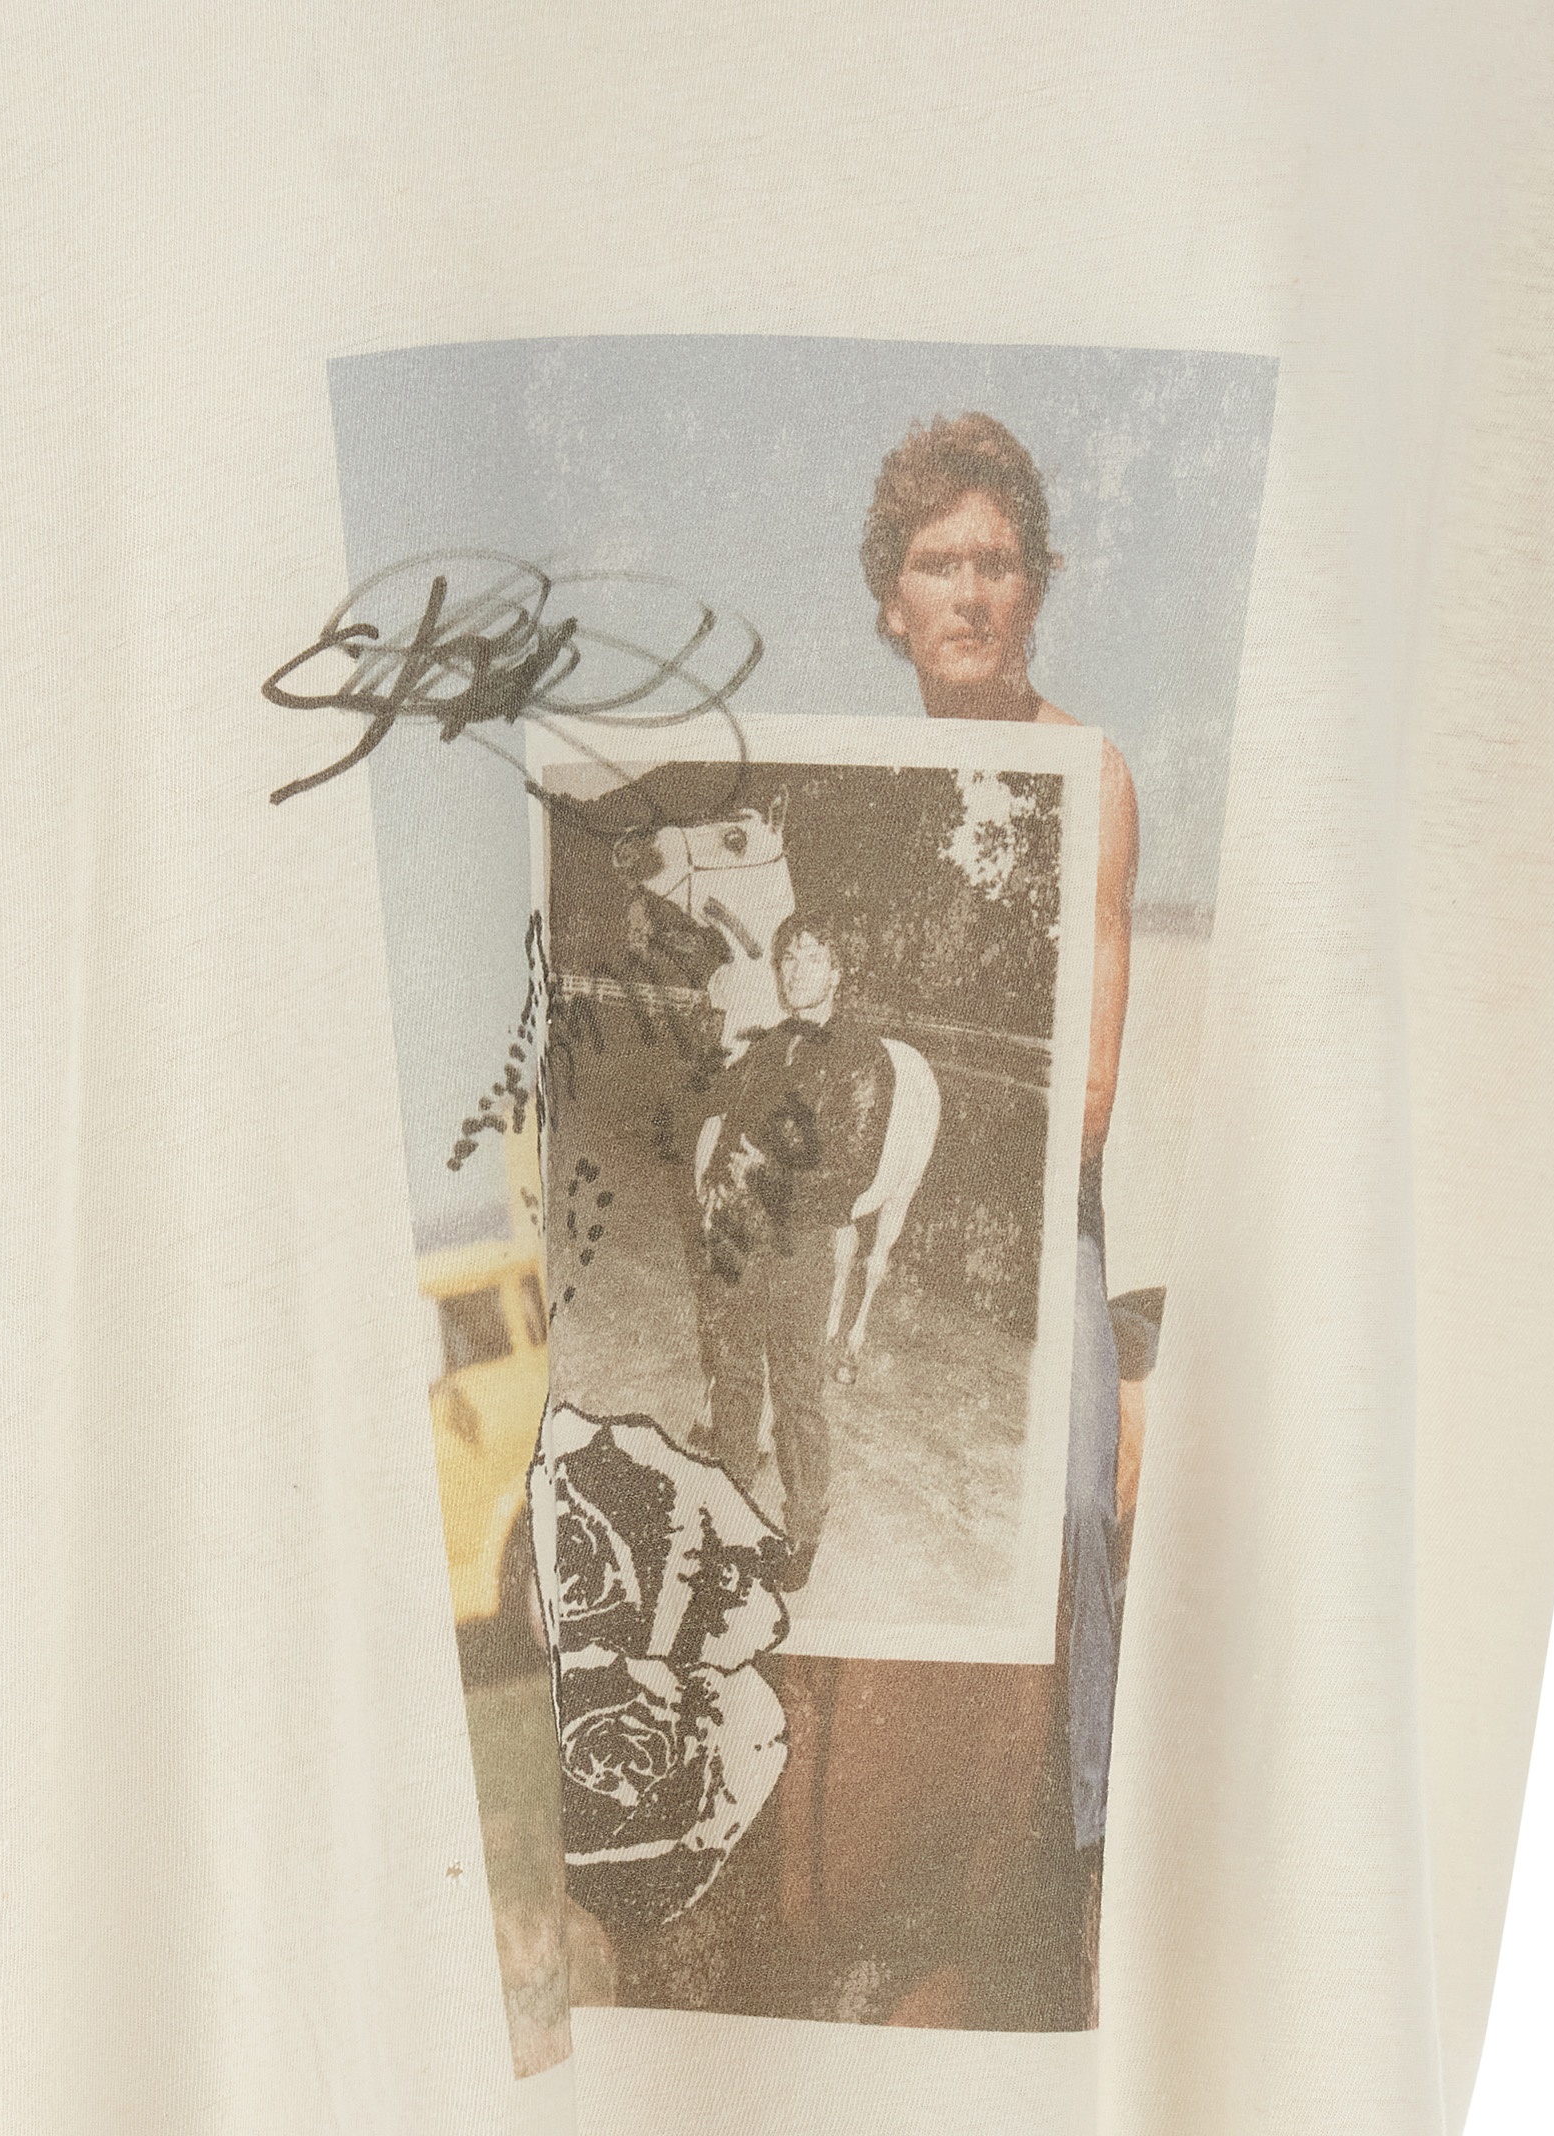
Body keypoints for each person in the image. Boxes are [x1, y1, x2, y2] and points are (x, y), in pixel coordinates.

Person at [861, 412, 1141, 1862]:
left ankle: (1090, 1849)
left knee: (1079, 1494)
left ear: (1035, 586)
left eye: (997, 562)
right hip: (886, 1208)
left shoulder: (1091, 772)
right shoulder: (857, 791)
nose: (968, 594)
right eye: (936, 564)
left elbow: (1085, 1102)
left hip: (1036, 1221)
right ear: (888, 603)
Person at [697, 911, 895, 1592]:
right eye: (789, 958)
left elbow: (854, 1173)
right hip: (737, 1232)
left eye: (813, 958)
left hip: (799, 1243)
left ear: (837, 972)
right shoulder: (772, 1043)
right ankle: (727, 1497)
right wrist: (716, 1185)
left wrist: (769, 1177)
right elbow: (734, 1126)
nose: (797, 970)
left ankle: (802, 1530)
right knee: (732, 1371)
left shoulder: (863, 1059)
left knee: (795, 1389)